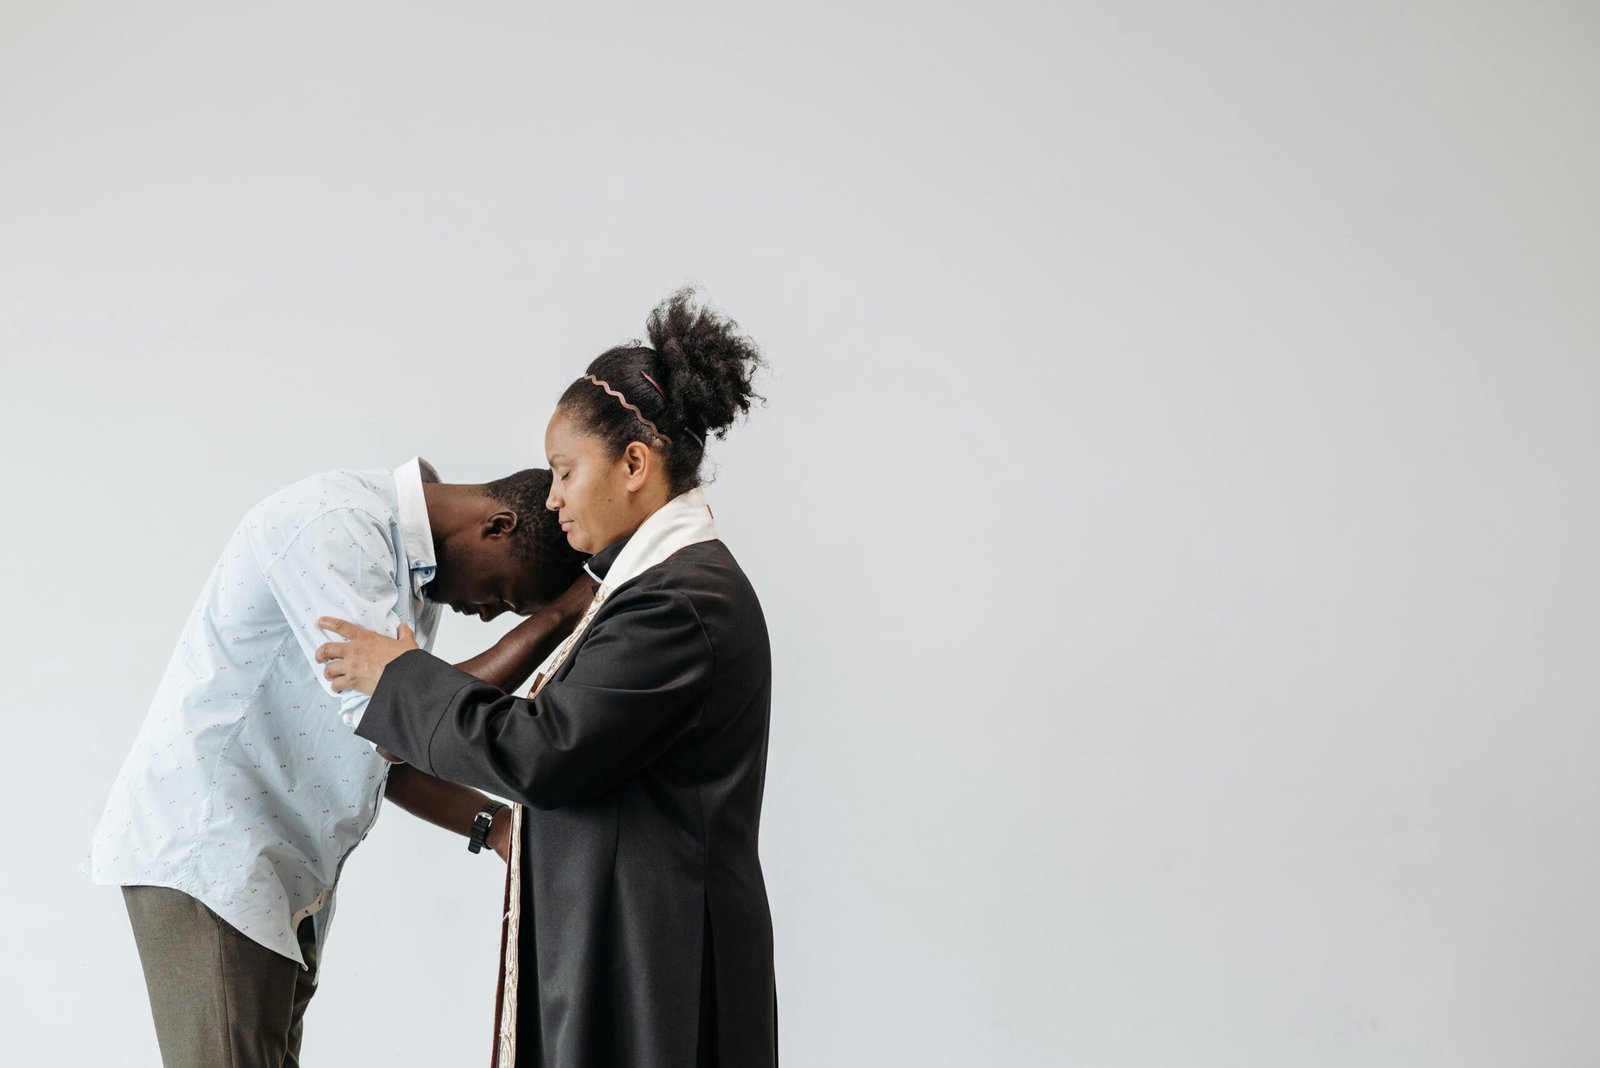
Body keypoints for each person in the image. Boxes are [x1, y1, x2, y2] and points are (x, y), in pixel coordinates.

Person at [317, 290, 778, 1067]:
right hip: (632, 945)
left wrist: (401, 676)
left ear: (635, 464)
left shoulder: (680, 603)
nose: (553, 496)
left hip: (656, 966)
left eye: (565, 471)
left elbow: (543, 751)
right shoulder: (655, 589)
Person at [85, 458, 594, 1068]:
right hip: (216, 856)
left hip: (284, 878)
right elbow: (400, 715)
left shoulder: (410, 574)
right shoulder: (340, 528)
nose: (488, 614)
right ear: (499, 526)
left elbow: (386, 751)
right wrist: (556, 618)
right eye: (506, 598)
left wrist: (495, 827)